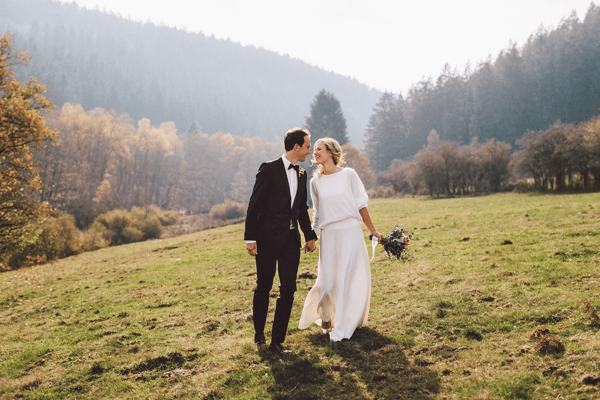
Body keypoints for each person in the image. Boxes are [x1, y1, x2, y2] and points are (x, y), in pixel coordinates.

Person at [298, 137, 382, 342]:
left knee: (347, 280)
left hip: (350, 232)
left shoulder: (348, 175)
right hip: (328, 235)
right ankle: (326, 315)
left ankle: (345, 322)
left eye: (319, 149)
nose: (315, 152)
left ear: (330, 152)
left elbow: (361, 205)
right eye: (314, 149)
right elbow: (317, 213)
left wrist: (373, 231)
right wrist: (311, 237)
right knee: (327, 282)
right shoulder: (315, 182)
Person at [244, 127, 318, 355]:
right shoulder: (268, 169)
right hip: (266, 240)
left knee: (288, 289)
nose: (309, 151)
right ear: (296, 147)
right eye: (307, 146)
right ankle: (259, 334)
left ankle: (277, 341)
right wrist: (250, 238)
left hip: (290, 242)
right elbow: (254, 204)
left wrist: (309, 236)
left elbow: (301, 209)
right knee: (264, 287)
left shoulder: (302, 174)